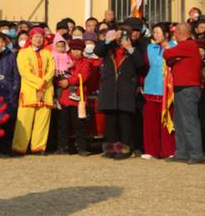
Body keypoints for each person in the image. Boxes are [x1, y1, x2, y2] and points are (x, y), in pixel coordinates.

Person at [95, 28, 145, 159]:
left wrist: (130, 48)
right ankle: (111, 149)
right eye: (118, 36)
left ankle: (124, 150)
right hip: (110, 89)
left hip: (126, 91)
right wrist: (109, 39)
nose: (120, 39)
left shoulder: (133, 51)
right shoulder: (108, 49)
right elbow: (97, 51)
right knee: (110, 122)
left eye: (123, 36)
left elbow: (141, 64)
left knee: (125, 122)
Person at [163, 23, 205, 164]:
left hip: (188, 89)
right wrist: (174, 58)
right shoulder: (186, 47)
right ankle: (182, 152)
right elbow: (170, 61)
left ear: (181, 32)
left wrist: (173, 55)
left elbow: (167, 54)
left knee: (189, 122)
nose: (174, 35)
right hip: (181, 88)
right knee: (180, 122)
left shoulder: (188, 45)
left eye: (175, 32)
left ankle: (196, 153)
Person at [12, 27, 54, 155]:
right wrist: (40, 84)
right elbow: (25, 73)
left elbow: (51, 71)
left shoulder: (48, 54)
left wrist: (43, 85)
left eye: (41, 37)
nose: (39, 39)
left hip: (46, 91)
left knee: (42, 120)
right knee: (24, 120)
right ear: (31, 38)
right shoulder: (23, 53)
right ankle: (19, 147)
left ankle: (38, 147)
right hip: (29, 90)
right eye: (36, 37)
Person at [142, 23, 176, 160]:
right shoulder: (150, 47)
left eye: (158, 32)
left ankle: (169, 150)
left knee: (167, 120)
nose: (155, 35)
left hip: (167, 90)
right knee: (150, 121)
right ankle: (151, 150)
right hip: (151, 88)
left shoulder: (175, 46)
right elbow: (144, 66)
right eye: (154, 32)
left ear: (166, 34)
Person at [56, 39, 91, 156]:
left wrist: (68, 81)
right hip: (65, 98)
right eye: (74, 50)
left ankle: (81, 148)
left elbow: (83, 76)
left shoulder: (86, 62)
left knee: (79, 124)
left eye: (79, 50)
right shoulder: (64, 60)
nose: (76, 53)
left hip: (77, 98)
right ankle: (62, 147)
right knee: (63, 124)